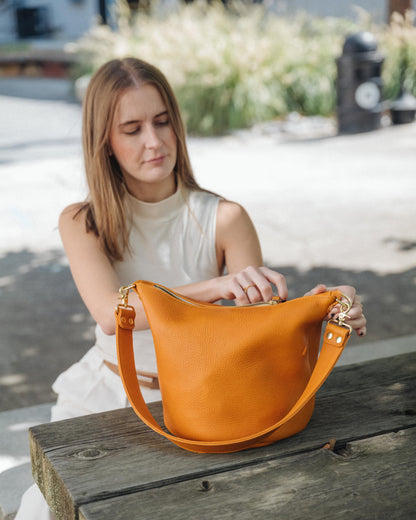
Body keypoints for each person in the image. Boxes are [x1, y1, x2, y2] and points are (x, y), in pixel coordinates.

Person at [16, 57, 367, 519]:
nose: (155, 141)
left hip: (212, 405)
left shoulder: (225, 218)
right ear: (105, 141)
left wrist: (318, 308)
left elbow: (253, 328)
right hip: (107, 393)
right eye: (133, 128)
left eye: (163, 122)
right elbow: (111, 312)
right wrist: (217, 285)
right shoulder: (83, 221)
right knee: (45, 509)